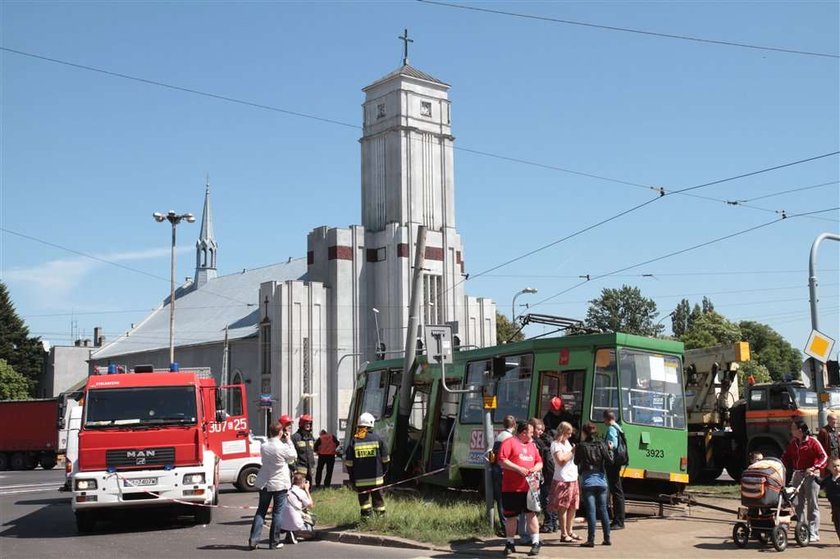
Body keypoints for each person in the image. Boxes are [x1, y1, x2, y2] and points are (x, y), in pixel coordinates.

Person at [248, 417, 297, 550]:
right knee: (277, 513)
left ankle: (253, 540)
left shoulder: (264, 446)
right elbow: (293, 456)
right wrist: (288, 440)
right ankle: (274, 542)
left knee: (261, 511)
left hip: (265, 481)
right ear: (280, 432)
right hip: (279, 483)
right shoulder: (282, 447)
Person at [498, 421, 543, 557]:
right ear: (523, 432)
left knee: (531, 514)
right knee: (511, 516)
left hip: (529, 488)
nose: (532, 435)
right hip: (511, 488)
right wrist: (518, 469)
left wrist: (534, 468)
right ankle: (510, 543)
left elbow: (539, 461)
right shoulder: (509, 442)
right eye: (530, 433)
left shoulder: (532, 445)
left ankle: (535, 542)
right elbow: (502, 460)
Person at [781, 419, 828, 542]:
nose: (791, 431)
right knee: (798, 504)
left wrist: (814, 467)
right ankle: (802, 530)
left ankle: (814, 532)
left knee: (812, 504)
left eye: (793, 428)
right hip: (797, 475)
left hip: (811, 475)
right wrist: (779, 464)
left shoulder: (813, 442)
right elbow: (786, 456)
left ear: (800, 430)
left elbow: (824, 456)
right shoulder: (793, 443)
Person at [344, 412, 390, 519]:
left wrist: (352, 477)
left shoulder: (354, 440)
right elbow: (386, 459)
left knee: (364, 501)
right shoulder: (378, 439)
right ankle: (380, 519)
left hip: (360, 480)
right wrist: (383, 472)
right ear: (371, 424)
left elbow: (349, 463)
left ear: (359, 426)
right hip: (376, 479)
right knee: (378, 499)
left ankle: (366, 519)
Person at [574, 422, 612, 548]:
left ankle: (590, 540)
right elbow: (610, 461)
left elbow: (576, 462)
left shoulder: (581, 446)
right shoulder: (602, 445)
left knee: (591, 511)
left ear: (584, 432)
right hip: (601, 481)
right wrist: (609, 449)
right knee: (603, 509)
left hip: (588, 481)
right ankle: (607, 538)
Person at [548, 421, 580, 543]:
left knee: (572, 506)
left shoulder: (567, 443)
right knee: (563, 507)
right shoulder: (556, 445)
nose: (570, 436)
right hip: (563, 479)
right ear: (562, 432)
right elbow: (561, 460)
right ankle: (563, 533)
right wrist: (572, 451)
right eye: (568, 433)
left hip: (573, 478)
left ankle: (570, 531)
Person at [529, 417, 557, 533]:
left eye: (541, 429)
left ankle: (548, 524)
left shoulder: (535, 442)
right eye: (538, 429)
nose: (540, 432)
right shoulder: (549, 439)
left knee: (545, 498)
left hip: (544, 473)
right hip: (551, 472)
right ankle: (553, 523)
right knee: (550, 497)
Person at [491, 415, 516, 537]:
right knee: (505, 499)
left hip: (496, 470)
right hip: (504, 471)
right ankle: (507, 527)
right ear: (514, 425)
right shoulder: (510, 438)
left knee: (500, 499)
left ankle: (505, 525)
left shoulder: (499, 436)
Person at [603, 410, 625, 530]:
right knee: (618, 491)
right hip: (618, 462)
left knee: (616, 491)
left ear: (607, 418)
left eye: (604, 419)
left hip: (613, 463)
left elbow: (613, 445)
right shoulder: (618, 427)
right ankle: (619, 519)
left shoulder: (611, 429)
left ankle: (618, 520)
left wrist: (605, 446)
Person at [279, 472, 315, 544]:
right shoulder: (301, 492)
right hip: (296, 524)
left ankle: (290, 532)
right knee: (312, 533)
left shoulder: (287, 491)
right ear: (302, 482)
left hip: (282, 524)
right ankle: (295, 532)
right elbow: (311, 506)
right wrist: (307, 490)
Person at [819, 457, 840, 543]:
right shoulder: (828, 479)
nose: (837, 468)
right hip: (834, 505)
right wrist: (813, 476)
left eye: (839, 465)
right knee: (836, 523)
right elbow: (821, 483)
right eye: (834, 466)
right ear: (829, 468)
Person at [291, 414, 316, 485]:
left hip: (310, 468)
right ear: (301, 424)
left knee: (308, 487)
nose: (308, 425)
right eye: (306, 424)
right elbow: (291, 454)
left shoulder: (310, 437)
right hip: (300, 469)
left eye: (309, 424)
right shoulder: (295, 437)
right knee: (299, 489)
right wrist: (294, 468)